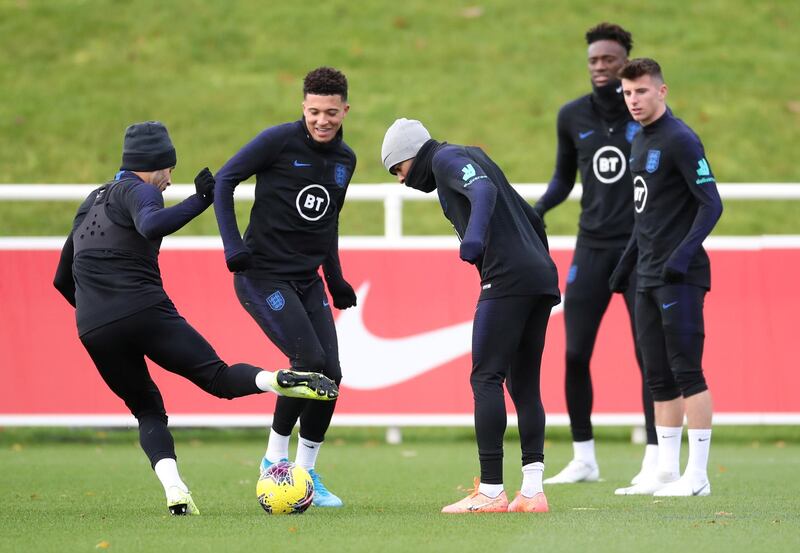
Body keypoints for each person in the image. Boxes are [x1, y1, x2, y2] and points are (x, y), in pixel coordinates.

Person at [52, 121, 339, 516]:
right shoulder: (139, 190)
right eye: (169, 170)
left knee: (148, 411)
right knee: (217, 378)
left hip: (93, 328)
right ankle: (275, 380)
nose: (169, 180)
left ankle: (175, 489)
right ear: (155, 165)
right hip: (144, 309)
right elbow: (152, 223)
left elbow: (60, 278)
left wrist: (98, 312)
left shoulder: (90, 202)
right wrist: (200, 200)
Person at [381, 118, 561, 513]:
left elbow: (482, 191)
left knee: (485, 377)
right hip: (539, 277)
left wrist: (477, 238)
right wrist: (540, 263)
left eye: (398, 169)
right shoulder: (472, 155)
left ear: (411, 154)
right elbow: (529, 216)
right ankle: (533, 492)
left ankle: (492, 490)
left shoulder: (445, 159)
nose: (400, 180)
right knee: (525, 385)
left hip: (507, 279)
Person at [213, 67, 357, 508]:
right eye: (314, 111)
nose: (322, 120)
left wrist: (335, 279)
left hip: (306, 280)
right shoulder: (277, 141)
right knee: (308, 360)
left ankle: (307, 470)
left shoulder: (345, 160)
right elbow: (224, 181)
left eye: (331, 112)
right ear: (303, 107)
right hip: (261, 276)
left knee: (330, 374)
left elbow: (327, 221)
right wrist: (233, 247)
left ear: (345, 110)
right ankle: (274, 461)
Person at [535, 23, 658, 487]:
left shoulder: (647, 116)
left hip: (639, 249)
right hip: (591, 248)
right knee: (574, 354)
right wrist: (540, 208)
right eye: (594, 60)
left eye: (610, 59)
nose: (601, 67)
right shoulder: (572, 117)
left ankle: (654, 456)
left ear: (627, 59)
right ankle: (584, 457)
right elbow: (564, 178)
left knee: (649, 356)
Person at [611, 58, 722, 496]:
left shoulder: (680, 139)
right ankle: (665, 471)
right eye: (627, 93)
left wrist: (681, 257)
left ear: (662, 91)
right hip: (647, 276)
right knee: (657, 375)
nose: (633, 100)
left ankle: (699, 475)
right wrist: (626, 264)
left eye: (641, 91)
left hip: (680, 276)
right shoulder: (639, 141)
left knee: (686, 371)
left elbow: (711, 204)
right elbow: (646, 215)